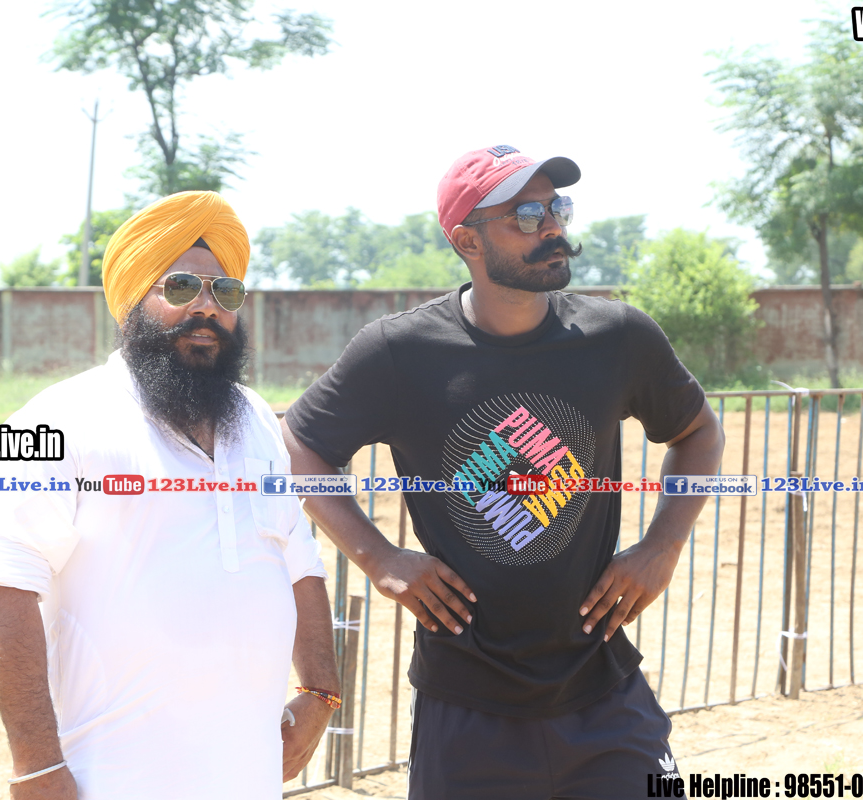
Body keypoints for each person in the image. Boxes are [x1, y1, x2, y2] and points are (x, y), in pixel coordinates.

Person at [282, 146, 726, 799]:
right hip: (465, 709)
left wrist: (663, 546)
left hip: (604, 696)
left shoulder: (617, 336)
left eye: (556, 207)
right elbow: (298, 444)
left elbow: (699, 433)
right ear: (467, 240)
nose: (552, 226)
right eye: (526, 214)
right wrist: (377, 556)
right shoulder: (399, 352)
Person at [0, 191, 338, 799]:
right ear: (133, 299)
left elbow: (299, 558)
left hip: (250, 773)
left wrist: (321, 690)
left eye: (226, 292)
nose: (207, 306)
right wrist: (36, 766)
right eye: (182, 286)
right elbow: (5, 587)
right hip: (114, 776)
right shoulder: (55, 420)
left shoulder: (256, 420)